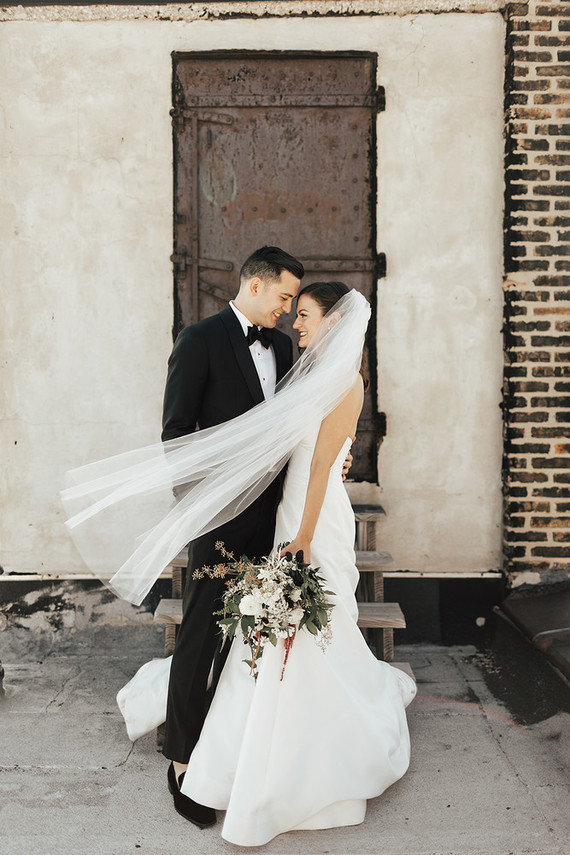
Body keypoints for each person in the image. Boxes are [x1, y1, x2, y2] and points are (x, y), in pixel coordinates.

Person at [173, 281, 417, 846]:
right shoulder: (307, 370)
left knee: (314, 624)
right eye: (295, 312)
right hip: (288, 510)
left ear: (333, 321)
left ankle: (307, 748)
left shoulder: (346, 381)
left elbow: (320, 466)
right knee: (278, 627)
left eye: (304, 315)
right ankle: (253, 733)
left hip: (313, 517)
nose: (295, 323)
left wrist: (303, 537)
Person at [160, 246, 304, 828]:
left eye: (294, 301)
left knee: (254, 632)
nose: (290, 311)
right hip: (221, 519)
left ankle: (233, 746)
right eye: (284, 297)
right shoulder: (201, 340)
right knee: (200, 631)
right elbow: (175, 434)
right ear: (254, 284)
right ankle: (180, 757)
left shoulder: (285, 347)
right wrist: (201, 509)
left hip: (274, 517)